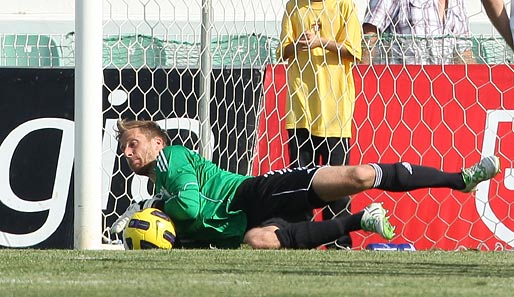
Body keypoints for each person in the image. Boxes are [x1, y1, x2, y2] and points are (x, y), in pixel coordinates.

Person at [110, 119, 501, 250]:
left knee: (359, 175)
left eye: (134, 143)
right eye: (124, 148)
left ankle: (459, 179)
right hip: (250, 223)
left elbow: (192, 208)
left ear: (157, 141)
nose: (129, 152)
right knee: (258, 243)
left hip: (257, 192)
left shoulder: (171, 159)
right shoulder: (159, 197)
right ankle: (359, 222)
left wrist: (155, 212)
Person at [276, 0, 362, 248]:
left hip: (335, 112)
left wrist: (320, 42)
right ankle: (301, 240)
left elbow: (354, 51)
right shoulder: (295, 6)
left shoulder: (345, 5)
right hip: (301, 110)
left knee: (337, 183)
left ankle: (339, 241)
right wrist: (298, 44)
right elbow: (282, 51)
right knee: (300, 180)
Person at [361, 0, 475, 64]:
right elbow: (369, 37)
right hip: (400, 90)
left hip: (443, 93)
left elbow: (465, 53)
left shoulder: (457, 3)